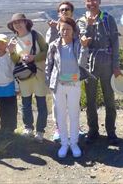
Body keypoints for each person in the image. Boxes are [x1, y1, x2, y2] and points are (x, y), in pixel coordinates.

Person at [77, 0, 123, 146]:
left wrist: (116, 65)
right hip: (90, 65)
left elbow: (115, 43)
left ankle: (111, 132)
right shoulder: (82, 21)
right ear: (85, 3)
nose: (91, 2)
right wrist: (89, 27)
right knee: (90, 101)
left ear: (99, 1)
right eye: (88, 0)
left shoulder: (108, 19)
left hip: (108, 65)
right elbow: (85, 42)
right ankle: (93, 131)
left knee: (109, 99)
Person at [46, 17, 91, 158]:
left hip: (74, 84)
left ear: (73, 31)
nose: (65, 31)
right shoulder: (54, 45)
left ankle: (74, 143)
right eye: (62, 28)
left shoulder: (78, 44)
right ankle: (64, 144)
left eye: (68, 29)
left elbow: (83, 63)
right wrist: (49, 82)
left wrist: (84, 47)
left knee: (74, 114)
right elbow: (49, 65)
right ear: (58, 29)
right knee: (60, 115)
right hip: (58, 85)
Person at [7, 13, 49, 142]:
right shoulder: (13, 40)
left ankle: (40, 131)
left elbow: (46, 52)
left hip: (39, 75)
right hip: (24, 77)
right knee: (26, 103)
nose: (18, 24)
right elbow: (15, 60)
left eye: (20, 21)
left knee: (41, 103)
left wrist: (34, 58)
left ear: (26, 22)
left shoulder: (35, 35)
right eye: (15, 23)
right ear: (12, 26)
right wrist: (12, 51)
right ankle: (28, 128)